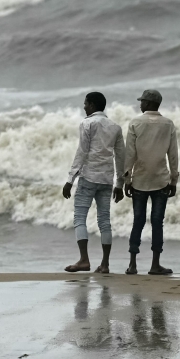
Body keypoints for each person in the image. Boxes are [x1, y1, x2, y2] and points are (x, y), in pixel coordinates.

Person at [62, 92, 125, 273]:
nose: (84, 107)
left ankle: (84, 260)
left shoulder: (87, 123)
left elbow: (82, 152)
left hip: (88, 177)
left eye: (85, 103)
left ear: (92, 105)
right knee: (104, 221)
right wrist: (120, 183)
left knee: (80, 218)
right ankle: (105, 264)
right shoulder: (115, 127)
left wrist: (70, 179)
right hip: (106, 180)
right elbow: (121, 156)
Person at [123, 89, 178, 275]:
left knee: (138, 221)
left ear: (148, 103)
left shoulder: (135, 123)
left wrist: (127, 179)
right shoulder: (168, 124)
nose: (140, 104)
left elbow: (130, 154)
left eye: (142, 101)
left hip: (139, 179)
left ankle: (132, 264)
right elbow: (173, 155)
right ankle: (155, 265)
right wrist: (174, 180)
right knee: (157, 222)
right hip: (161, 179)